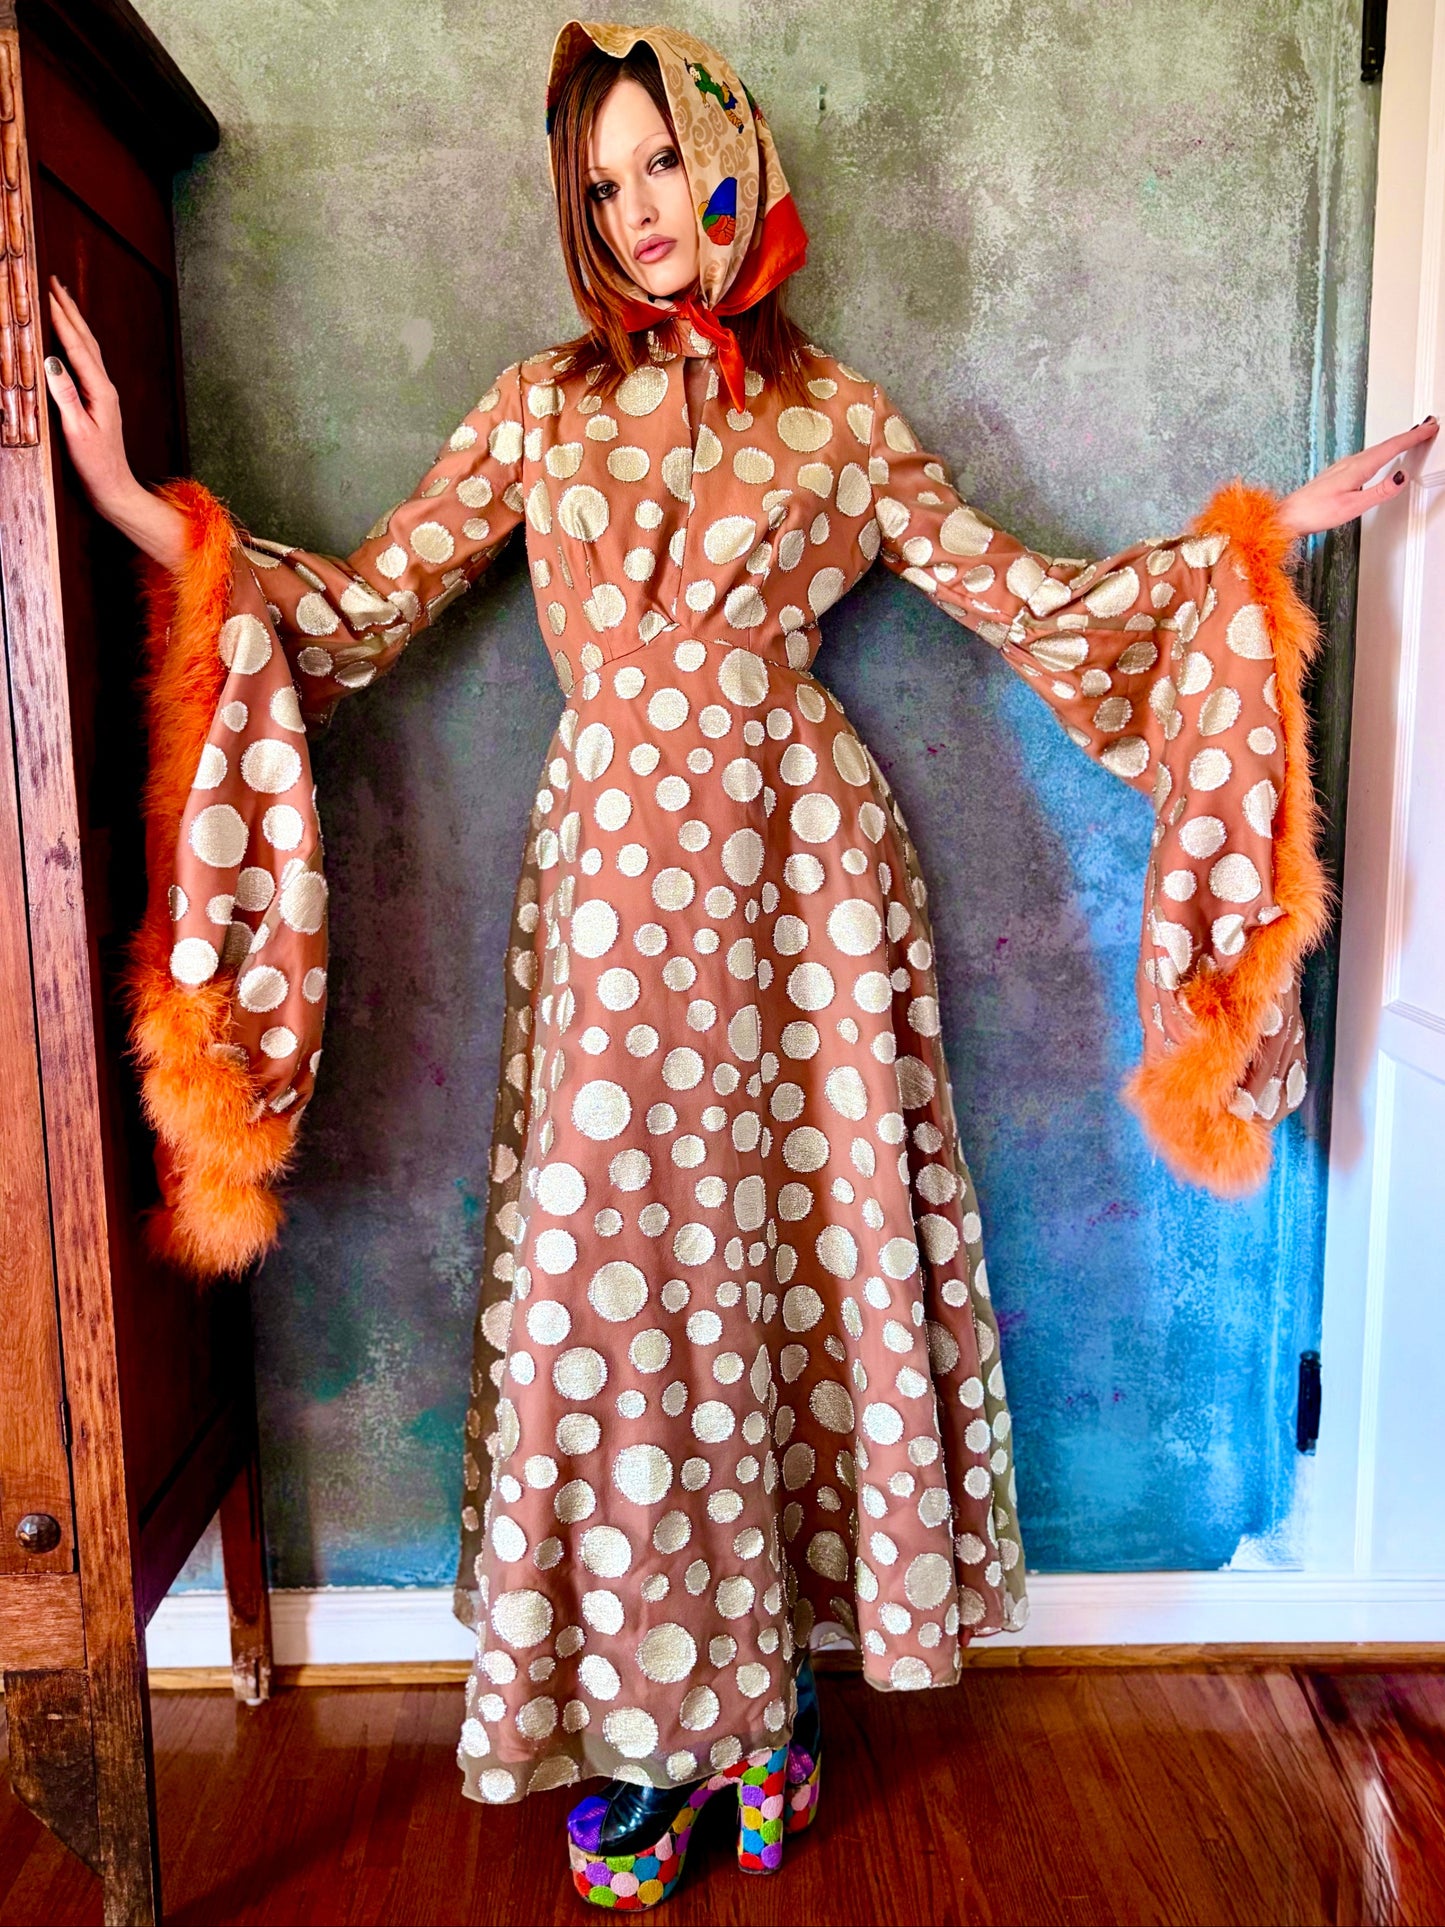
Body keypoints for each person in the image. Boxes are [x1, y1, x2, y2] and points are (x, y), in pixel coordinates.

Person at [43, 18, 1434, 1911]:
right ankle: (641, 1722)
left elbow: (1027, 609)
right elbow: (361, 614)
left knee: (793, 1267)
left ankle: (765, 1705)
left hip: (809, 884)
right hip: (611, 882)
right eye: (597, 188)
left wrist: (1255, 545)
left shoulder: (840, 420)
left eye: (654, 164)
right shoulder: (540, 407)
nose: (634, 215)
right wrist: (153, 521)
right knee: (612, 1298)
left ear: (731, 153)